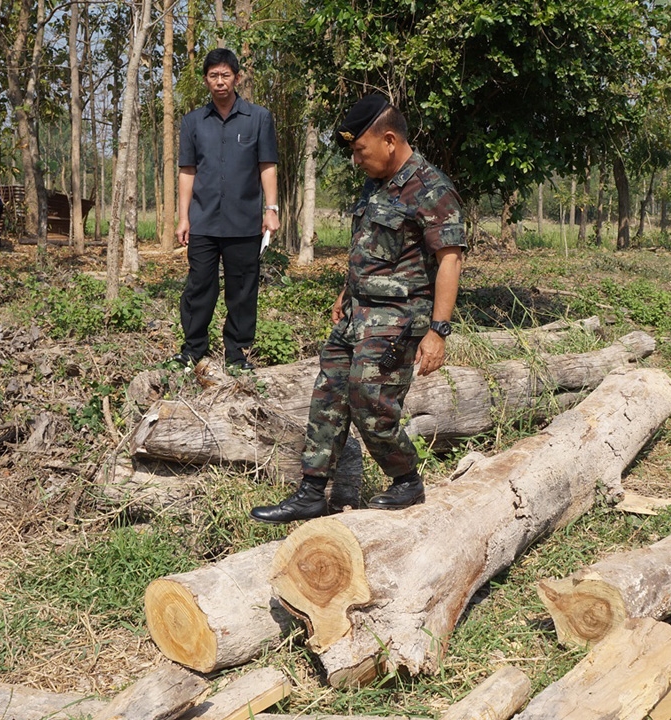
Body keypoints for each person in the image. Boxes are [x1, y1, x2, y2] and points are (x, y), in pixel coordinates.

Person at [250, 93, 466, 524]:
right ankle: (312, 491)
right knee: (327, 395)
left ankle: (406, 479)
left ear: (389, 139)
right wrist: (345, 293)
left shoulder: (432, 189)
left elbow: (450, 259)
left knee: (371, 400)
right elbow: (367, 247)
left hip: (397, 318)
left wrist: (438, 331)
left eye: (359, 150)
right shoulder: (375, 183)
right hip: (356, 313)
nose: (355, 159)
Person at [174, 48, 279, 371]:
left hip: (245, 221)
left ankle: (237, 353)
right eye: (213, 76)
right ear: (206, 80)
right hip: (203, 220)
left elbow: (267, 166)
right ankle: (193, 349)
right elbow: (187, 171)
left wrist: (271, 208)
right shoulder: (193, 122)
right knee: (200, 286)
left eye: (226, 75)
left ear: (237, 77)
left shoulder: (259, 118)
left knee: (243, 289)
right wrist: (183, 216)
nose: (220, 82)